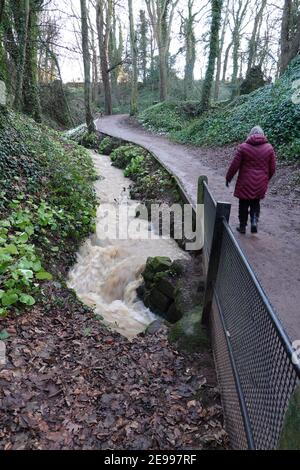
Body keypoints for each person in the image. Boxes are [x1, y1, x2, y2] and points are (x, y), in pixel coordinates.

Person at [226, 126, 276, 234]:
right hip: (260, 183)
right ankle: (254, 221)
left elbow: (234, 165)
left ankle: (242, 226)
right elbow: (272, 168)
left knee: (243, 204)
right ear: (263, 134)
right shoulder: (269, 148)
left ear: (250, 134)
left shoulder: (243, 147)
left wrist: (228, 177)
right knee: (255, 202)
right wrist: (266, 179)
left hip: (245, 182)